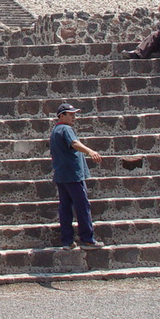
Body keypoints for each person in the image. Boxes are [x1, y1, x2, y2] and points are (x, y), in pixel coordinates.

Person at [49, 102, 103, 249]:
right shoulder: (66, 129)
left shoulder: (55, 131)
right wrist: (90, 151)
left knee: (65, 208)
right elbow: (74, 143)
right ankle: (87, 239)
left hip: (62, 175)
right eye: (70, 114)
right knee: (82, 206)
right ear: (61, 116)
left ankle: (67, 241)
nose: (74, 117)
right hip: (73, 175)